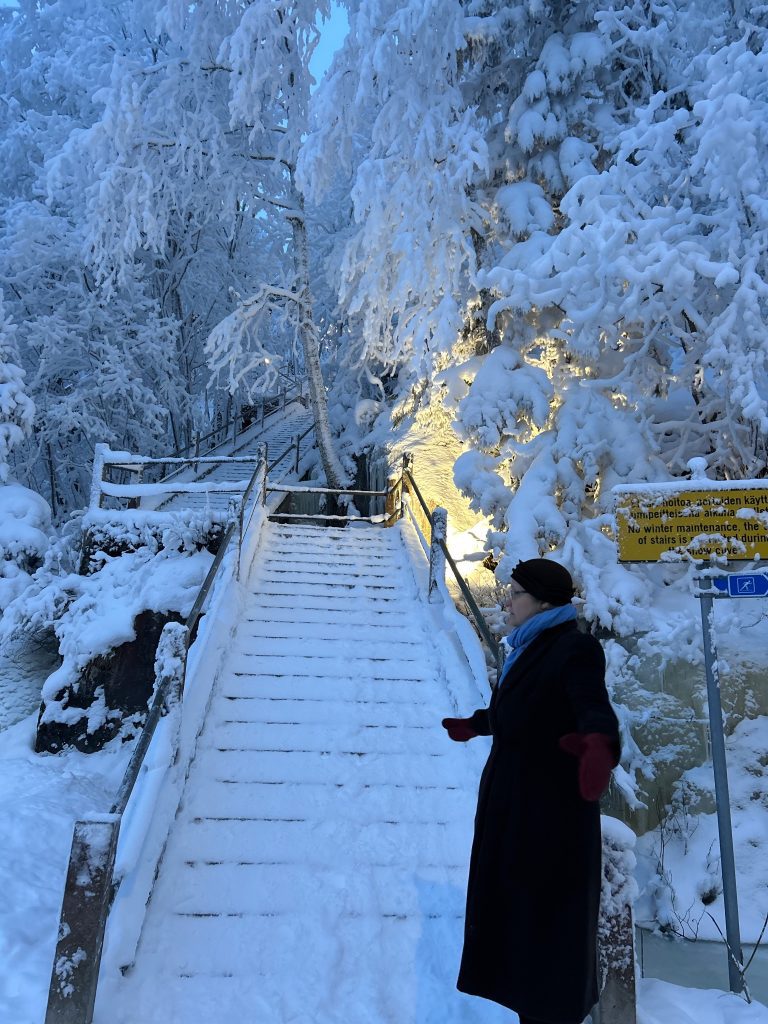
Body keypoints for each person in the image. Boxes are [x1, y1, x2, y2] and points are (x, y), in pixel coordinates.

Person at [442, 558, 620, 1024]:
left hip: (548, 819)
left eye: (515, 593)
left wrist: (599, 744)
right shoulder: (531, 646)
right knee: (520, 935)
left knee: (544, 936)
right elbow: (528, 709)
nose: (505, 600)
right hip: (516, 812)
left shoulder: (573, 649)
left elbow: (591, 706)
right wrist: (480, 724)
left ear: (543, 601)